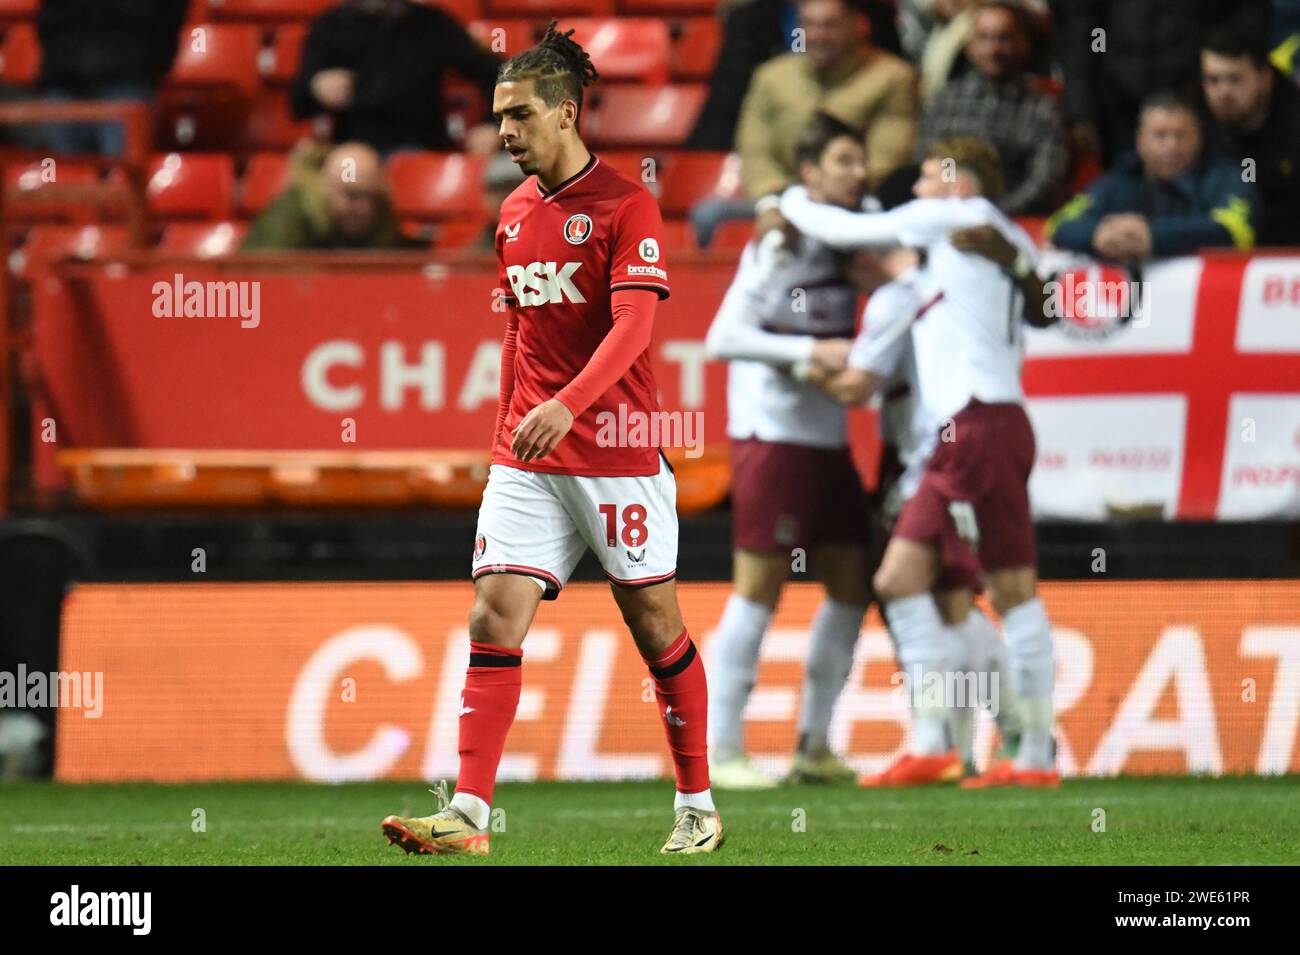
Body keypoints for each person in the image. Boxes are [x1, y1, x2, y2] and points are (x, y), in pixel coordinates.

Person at [380, 23, 721, 857]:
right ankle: (468, 813)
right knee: (493, 613)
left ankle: (698, 802)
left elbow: (635, 326)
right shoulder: (513, 212)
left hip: (617, 454)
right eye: (500, 114)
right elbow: (521, 331)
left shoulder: (625, 205)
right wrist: (509, 422)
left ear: (567, 113)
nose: (504, 131)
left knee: (654, 625)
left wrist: (568, 404)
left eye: (521, 114)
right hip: (529, 454)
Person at [780, 138, 1062, 787]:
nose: (921, 186)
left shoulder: (957, 218)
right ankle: (934, 740)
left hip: (981, 419)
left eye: (934, 174)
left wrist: (787, 198)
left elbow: (847, 227)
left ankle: (1037, 755)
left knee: (1013, 590)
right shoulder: (999, 240)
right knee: (901, 577)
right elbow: (1042, 301)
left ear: (965, 183)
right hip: (961, 433)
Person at [703, 113, 876, 790]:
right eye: (842, 161)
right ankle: (721, 752)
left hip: (826, 440)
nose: (856, 173)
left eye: (859, 161)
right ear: (810, 173)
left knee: (851, 583)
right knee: (759, 589)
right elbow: (724, 338)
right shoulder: (779, 242)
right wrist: (811, 351)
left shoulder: (854, 232)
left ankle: (813, 744)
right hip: (772, 437)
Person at [734, 0, 919, 235]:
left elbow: (889, 156)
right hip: (779, 199)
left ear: (856, 26)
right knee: (709, 214)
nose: (816, 35)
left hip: (856, 202)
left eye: (830, 25)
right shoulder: (771, 77)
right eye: (807, 25)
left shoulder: (893, 77)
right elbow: (755, 152)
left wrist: (828, 194)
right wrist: (774, 198)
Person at [1046, 92, 1261, 260]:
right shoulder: (1121, 179)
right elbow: (1059, 224)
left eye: (1180, 135)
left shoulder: (1225, 176)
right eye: (1160, 135)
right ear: (1140, 140)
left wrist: (1152, 236)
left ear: (1199, 138)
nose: (1171, 145)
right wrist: (1097, 235)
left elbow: (1237, 230)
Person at [291, 0, 502, 156]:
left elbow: (499, 74)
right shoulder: (331, 25)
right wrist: (316, 87)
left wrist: (491, 125)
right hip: (350, 149)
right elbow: (297, 103)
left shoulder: (432, 25)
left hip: (414, 150)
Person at [916, 1, 1067, 215]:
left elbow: (1045, 181)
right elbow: (928, 157)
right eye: (983, 38)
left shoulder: (1042, 107)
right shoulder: (944, 100)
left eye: (1003, 38)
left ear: (1023, 44)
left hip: (1011, 220)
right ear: (969, 47)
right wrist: (950, 196)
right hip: (944, 213)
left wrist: (992, 212)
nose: (993, 49)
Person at [37, 0, 189, 156]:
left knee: (123, 174)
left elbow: (170, 12)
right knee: (66, 176)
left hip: (129, 74)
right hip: (64, 76)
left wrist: (154, 61)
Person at [1201, 22, 1300, 245]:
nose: (1223, 92)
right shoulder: (1195, 128)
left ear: (1264, 79)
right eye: (1213, 80)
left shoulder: (1293, 128)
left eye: (1235, 79)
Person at [241, 142, 417, 251]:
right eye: (352, 196)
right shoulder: (287, 221)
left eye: (372, 198)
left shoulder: (384, 217)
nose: (364, 207)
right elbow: (264, 281)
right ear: (326, 189)